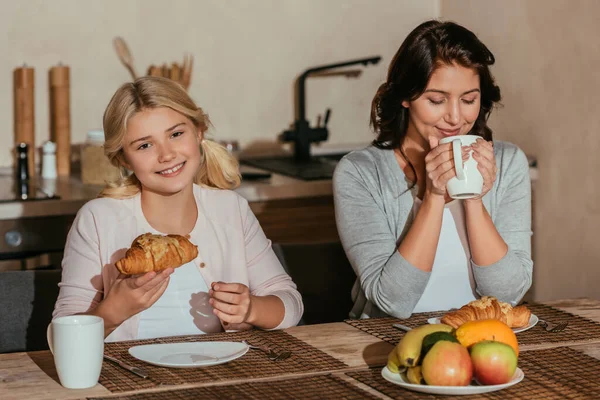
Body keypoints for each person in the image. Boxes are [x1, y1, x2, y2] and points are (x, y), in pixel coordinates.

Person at [53, 77, 303, 340]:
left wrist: (251, 308)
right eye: (145, 145)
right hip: (127, 378)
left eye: (176, 134)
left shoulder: (231, 209)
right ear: (124, 158)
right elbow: (61, 335)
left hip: (223, 373)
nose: (167, 154)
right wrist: (114, 311)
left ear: (199, 132)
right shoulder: (97, 220)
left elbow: (290, 302)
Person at [333, 20, 533, 319]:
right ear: (405, 97)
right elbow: (392, 301)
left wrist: (474, 199)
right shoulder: (359, 173)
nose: (455, 117)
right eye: (436, 100)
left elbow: (509, 294)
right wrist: (435, 196)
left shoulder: (507, 162)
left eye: (469, 100)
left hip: (481, 339)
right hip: (387, 342)